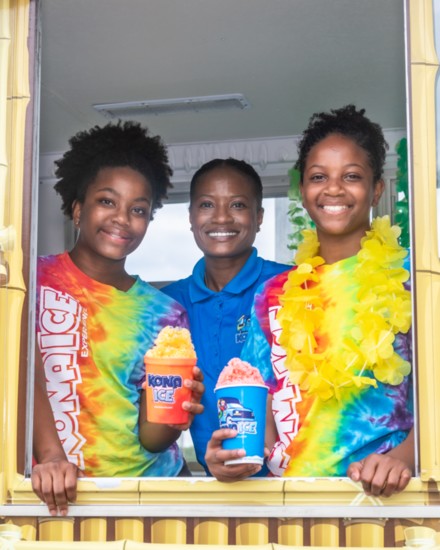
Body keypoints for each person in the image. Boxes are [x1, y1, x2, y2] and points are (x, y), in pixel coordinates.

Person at [206, 105, 414, 496]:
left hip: (384, 497)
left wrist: (404, 458)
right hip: (289, 501)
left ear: (377, 189)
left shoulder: (412, 280)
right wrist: (235, 458)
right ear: (302, 190)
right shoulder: (273, 294)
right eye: (319, 177)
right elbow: (257, 400)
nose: (333, 189)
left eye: (351, 176)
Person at [32, 121, 204, 516]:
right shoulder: (31, 282)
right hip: (52, 489)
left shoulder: (165, 313)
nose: (123, 218)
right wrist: (49, 456)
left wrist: (177, 410)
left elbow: (151, 437)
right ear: (78, 209)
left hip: (148, 492)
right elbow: (24, 372)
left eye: (138, 209)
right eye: (107, 201)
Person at [162, 158, 290, 473]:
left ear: (259, 217)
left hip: (298, 485)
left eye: (237, 205)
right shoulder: (167, 305)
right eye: (207, 205)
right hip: (214, 489)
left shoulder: (291, 287)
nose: (221, 217)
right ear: (191, 217)